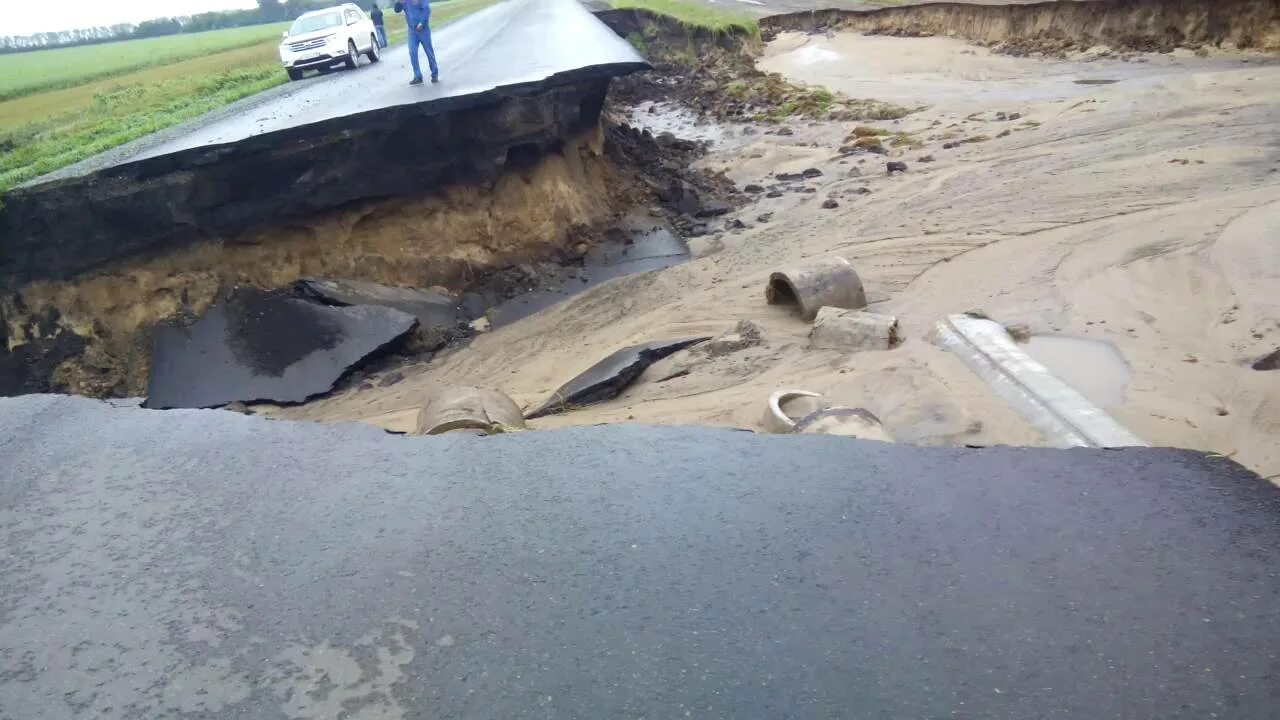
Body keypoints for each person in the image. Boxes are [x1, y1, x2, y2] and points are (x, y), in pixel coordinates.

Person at [394, 0, 438, 85]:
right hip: (412, 30)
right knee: (412, 52)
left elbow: (427, 10)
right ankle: (418, 76)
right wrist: (398, 2)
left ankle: (434, 73)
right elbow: (397, 10)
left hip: (423, 29)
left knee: (429, 51)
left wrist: (422, 23)